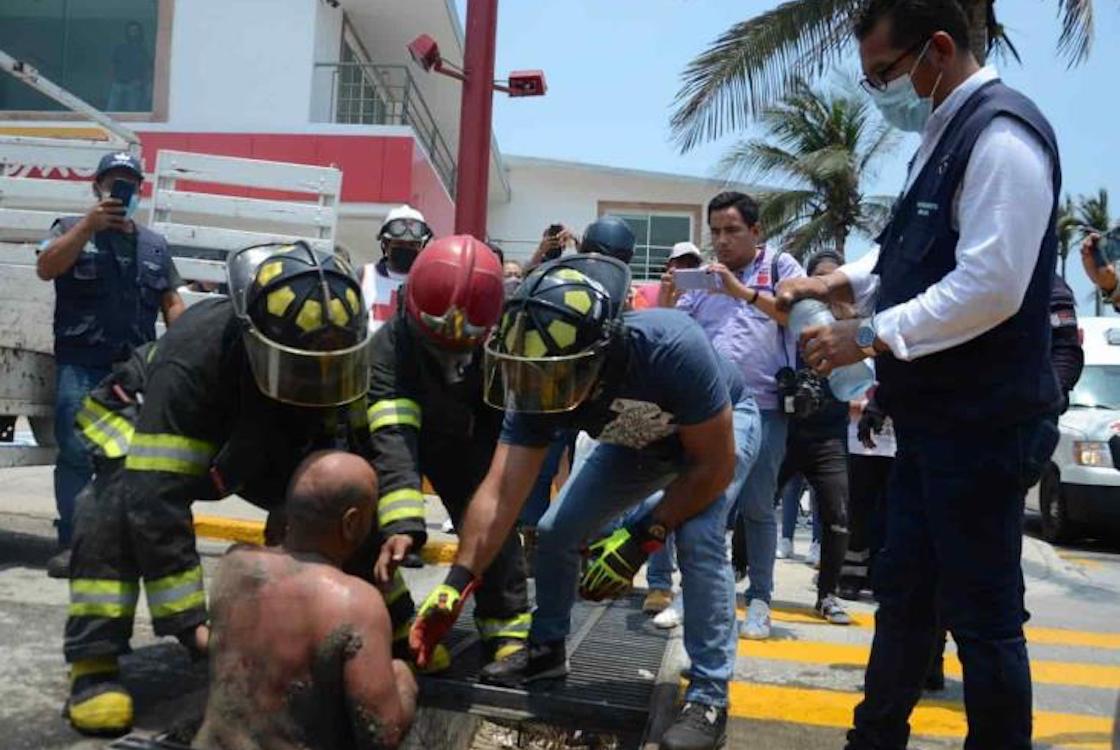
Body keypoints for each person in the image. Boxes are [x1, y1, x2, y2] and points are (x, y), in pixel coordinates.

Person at [778, 1, 1063, 746]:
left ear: (939, 49)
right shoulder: (941, 136)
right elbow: (909, 257)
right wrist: (837, 287)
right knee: (903, 597)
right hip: (932, 425)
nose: (878, 93)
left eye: (885, 74)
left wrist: (867, 335)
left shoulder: (1002, 137)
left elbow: (991, 286)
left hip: (984, 425)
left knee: (983, 619)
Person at [61, 242, 426, 736]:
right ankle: (93, 663)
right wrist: (192, 627)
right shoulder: (195, 355)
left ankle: (400, 627)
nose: (317, 377)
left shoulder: (326, 353)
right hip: (149, 423)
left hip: (250, 438)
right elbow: (156, 496)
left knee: (332, 493)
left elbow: (361, 471)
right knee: (112, 506)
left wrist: (399, 609)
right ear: (255, 337)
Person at [410, 254, 761, 749]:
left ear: (602, 351)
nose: (542, 392)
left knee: (700, 536)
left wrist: (641, 540)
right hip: (636, 436)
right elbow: (501, 492)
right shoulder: (541, 376)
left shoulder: (670, 347)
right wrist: (457, 581)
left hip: (714, 436)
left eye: (557, 378)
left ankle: (708, 695)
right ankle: (547, 648)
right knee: (556, 531)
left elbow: (712, 469)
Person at [367, 235, 531, 673]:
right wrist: (403, 524)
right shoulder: (388, 348)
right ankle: (402, 630)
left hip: (464, 439)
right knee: (369, 522)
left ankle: (507, 629)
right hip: (401, 438)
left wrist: (493, 492)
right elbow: (394, 437)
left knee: (493, 520)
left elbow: (500, 429)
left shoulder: (499, 345)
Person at [193, 451, 417, 750]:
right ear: (351, 522)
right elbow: (381, 734)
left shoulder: (234, 564)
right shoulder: (356, 604)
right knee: (399, 673)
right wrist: (404, 680)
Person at [36, 150, 184, 579]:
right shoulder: (68, 230)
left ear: (140, 190)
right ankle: (75, 545)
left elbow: (172, 304)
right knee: (78, 455)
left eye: (130, 184)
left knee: (133, 461)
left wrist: (179, 355)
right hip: (81, 365)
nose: (122, 191)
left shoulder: (154, 246)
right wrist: (87, 226)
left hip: (135, 372)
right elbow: (46, 267)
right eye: (113, 182)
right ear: (97, 187)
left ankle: (120, 547)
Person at [664, 190, 805, 641]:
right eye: (715, 233)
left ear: (757, 231)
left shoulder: (782, 267)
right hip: (710, 411)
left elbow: (797, 317)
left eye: (732, 231)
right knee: (705, 503)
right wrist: (668, 297)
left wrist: (741, 292)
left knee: (758, 507)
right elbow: (675, 330)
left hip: (765, 409)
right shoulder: (703, 280)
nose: (722, 241)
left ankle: (759, 601)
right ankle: (693, 593)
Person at [774, 249, 853, 625]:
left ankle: (828, 595)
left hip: (830, 438)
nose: (826, 288)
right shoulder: (790, 322)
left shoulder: (852, 326)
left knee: (837, 516)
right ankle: (740, 572)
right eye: (820, 280)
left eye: (834, 280)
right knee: (756, 505)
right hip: (787, 432)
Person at [360, 205, 433, 328]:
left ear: (421, 247)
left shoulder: (429, 284)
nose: (406, 248)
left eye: (411, 245)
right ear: (385, 244)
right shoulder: (364, 276)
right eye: (399, 243)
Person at [107, 21, 151, 112]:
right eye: (131, 30)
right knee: (110, 112)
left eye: (135, 30)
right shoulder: (120, 48)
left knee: (131, 113)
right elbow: (112, 65)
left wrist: (142, 83)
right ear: (127, 32)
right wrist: (112, 81)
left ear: (139, 32)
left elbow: (147, 69)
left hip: (133, 86)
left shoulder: (143, 51)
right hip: (118, 85)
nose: (133, 33)